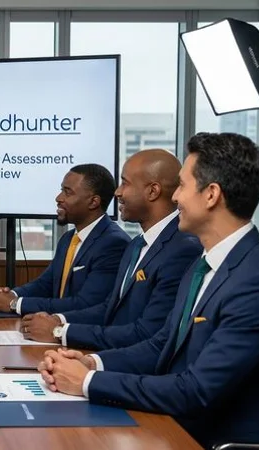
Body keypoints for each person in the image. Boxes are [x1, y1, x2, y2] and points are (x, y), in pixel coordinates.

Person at [38, 132, 259, 448]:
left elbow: (196, 390)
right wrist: (93, 364)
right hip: (176, 425)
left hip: (215, 439)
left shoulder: (258, 282)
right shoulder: (204, 264)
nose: (175, 198)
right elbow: (162, 345)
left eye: (183, 186)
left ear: (211, 194)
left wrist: (87, 382)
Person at [22, 149, 201, 350]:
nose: (117, 193)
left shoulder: (183, 250)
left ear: (152, 191)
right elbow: (110, 309)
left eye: (125, 183)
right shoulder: (136, 245)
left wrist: (59, 332)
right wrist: (56, 320)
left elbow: (147, 333)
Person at [0, 164, 129, 315]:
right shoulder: (68, 238)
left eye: (68, 192)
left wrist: (15, 304)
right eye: (61, 190)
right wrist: (9, 296)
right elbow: (45, 284)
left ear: (93, 202)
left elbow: (86, 304)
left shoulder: (113, 244)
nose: (58, 198)